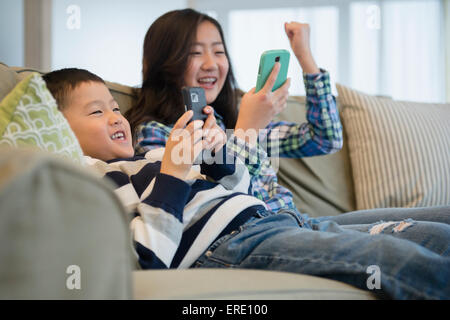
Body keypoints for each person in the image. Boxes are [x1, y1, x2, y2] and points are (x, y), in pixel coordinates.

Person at [43, 68, 450, 299]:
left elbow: (242, 191)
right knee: (395, 259)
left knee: (435, 233)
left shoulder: (149, 156)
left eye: (115, 107)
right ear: (57, 129)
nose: (116, 116)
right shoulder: (92, 180)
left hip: (276, 220)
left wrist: (220, 160)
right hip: (233, 244)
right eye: (97, 112)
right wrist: (173, 174)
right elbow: (148, 257)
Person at [125, 8, 342, 217]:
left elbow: (324, 139)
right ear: (164, 65)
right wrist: (247, 130)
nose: (211, 64)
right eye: (195, 53)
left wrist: (305, 58)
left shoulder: (232, 122)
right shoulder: (155, 134)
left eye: (219, 51)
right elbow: (213, 211)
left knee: (377, 225)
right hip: (265, 235)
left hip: (298, 222)